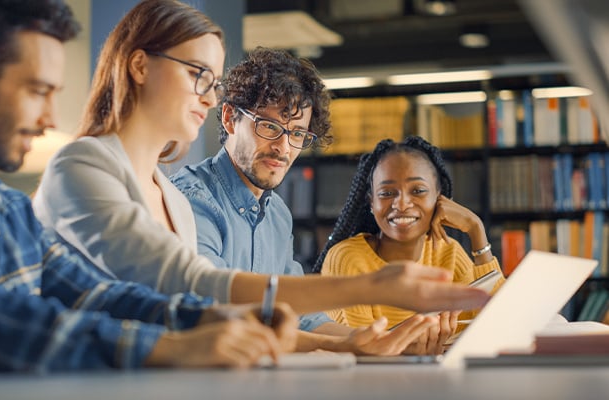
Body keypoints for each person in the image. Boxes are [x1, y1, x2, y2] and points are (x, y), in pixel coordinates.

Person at [0, 0, 300, 381]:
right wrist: (170, 346)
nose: (49, 119)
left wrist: (220, 315)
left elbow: (95, 295)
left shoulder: (4, 207)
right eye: (38, 92)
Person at [32, 0, 490, 356]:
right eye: (198, 76)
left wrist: (352, 343)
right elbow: (195, 289)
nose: (208, 99)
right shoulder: (89, 168)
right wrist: (367, 288)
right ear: (139, 66)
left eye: (296, 134)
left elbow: (234, 317)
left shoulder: (171, 196)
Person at [169, 47, 435, 354]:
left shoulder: (277, 215)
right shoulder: (193, 201)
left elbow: (302, 318)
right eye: (269, 127)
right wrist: (345, 343)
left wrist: (381, 341)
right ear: (230, 118)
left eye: (298, 134)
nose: (283, 148)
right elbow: (218, 313)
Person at [313, 136, 505, 354]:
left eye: (418, 191)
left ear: (439, 199)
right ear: (372, 203)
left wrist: (476, 229)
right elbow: (361, 348)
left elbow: (500, 324)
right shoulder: (347, 258)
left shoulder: (448, 251)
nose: (402, 204)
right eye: (386, 193)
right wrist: (417, 350)